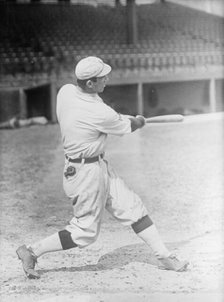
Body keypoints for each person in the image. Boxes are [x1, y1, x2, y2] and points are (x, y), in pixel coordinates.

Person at [16, 56, 189, 279]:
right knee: (84, 232)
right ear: (89, 83)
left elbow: (106, 117)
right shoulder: (99, 112)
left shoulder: (66, 92)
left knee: (132, 207)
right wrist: (138, 121)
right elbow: (124, 126)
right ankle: (31, 251)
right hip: (85, 175)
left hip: (95, 167)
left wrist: (128, 119)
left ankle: (164, 255)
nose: (107, 79)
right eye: (102, 77)